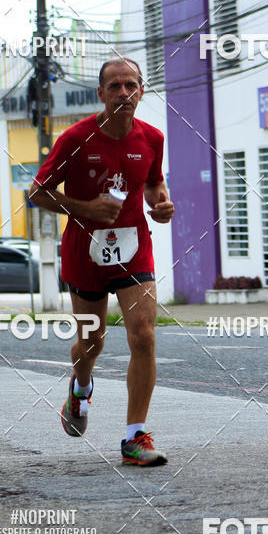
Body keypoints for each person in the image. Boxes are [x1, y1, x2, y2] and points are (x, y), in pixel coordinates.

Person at [29, 58, 175, 466]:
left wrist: (159, 204)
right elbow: (38, 193)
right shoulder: (76, 138)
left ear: (141, 92)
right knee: (92, 343)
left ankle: (134, 437)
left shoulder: (153, 138)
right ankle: (80, 386)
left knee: (143, 334)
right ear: (101, 93)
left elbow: (152, 181)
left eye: (131, 85)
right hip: (85, 252)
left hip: (133, 248)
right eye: (115, 86)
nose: (124, 93)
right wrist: (84, 207)